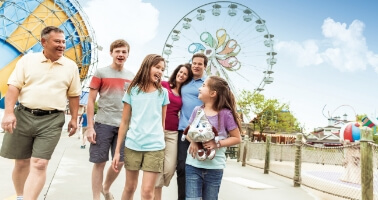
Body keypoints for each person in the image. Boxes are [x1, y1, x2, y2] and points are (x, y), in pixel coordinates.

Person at [0, 26, 81, 200]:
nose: (62, 45)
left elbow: (74, 95)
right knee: (21, 162)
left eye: (63, 41)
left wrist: (74, 119)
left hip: (52, 119)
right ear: (43, 42)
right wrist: (8, 113)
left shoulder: (70, 66)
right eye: (57, 41)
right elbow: (14, 86)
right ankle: (21, 196)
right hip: (23, 115)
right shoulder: (27, 61)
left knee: (40, 163)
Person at [112, 54, 169, 200]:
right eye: (157, 67)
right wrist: (117, 151)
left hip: (155, 147)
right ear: (147, 66)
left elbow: (162, 123)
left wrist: (161, 143)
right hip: (132, 145)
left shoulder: (163, 93)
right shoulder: (132, 91)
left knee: (147, 192)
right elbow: (124, 122)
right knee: (130, 187)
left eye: (162, 69)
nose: (160, 71)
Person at [86, 39, 134, 200]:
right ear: (111, 53)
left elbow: (132, 103)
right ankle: (95, 197)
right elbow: (91, 101)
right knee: (99, 163)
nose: (120, 54)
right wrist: (90, 127)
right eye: (117, 51)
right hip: (102, 124)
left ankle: (105, 188)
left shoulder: (131, 77)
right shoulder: (100, 73)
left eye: (124, 52)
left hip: (123, 126)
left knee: (118, 163)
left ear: (127, 55)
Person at [186, 76, 242, 199]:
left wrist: (217, 144)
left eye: (204, 85)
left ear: (213, 93)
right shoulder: (197, 110)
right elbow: (188, 132)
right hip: (193, 165)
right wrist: (194, 142)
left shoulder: (226, 114)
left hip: (214, 168)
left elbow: (237, 138)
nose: (200, 88)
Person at [154, 63, 193, 200]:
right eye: (180, 72)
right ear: (176, 72)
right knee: (157, 167)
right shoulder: (164, 85)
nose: (181, 75)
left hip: (173, 132)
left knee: (170, 168)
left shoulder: (184, 92)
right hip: (158, 130)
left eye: (185, 74)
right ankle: (155, 191)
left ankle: (155, 185)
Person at [176, 53, 208, 200]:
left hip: (201, 132)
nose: (196, 65)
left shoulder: (207, 83)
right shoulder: (185, 81)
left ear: (205, 66)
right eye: (194, 63)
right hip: (183, 130)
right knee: (181, 168)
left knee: (200, 169)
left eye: (199, 64)